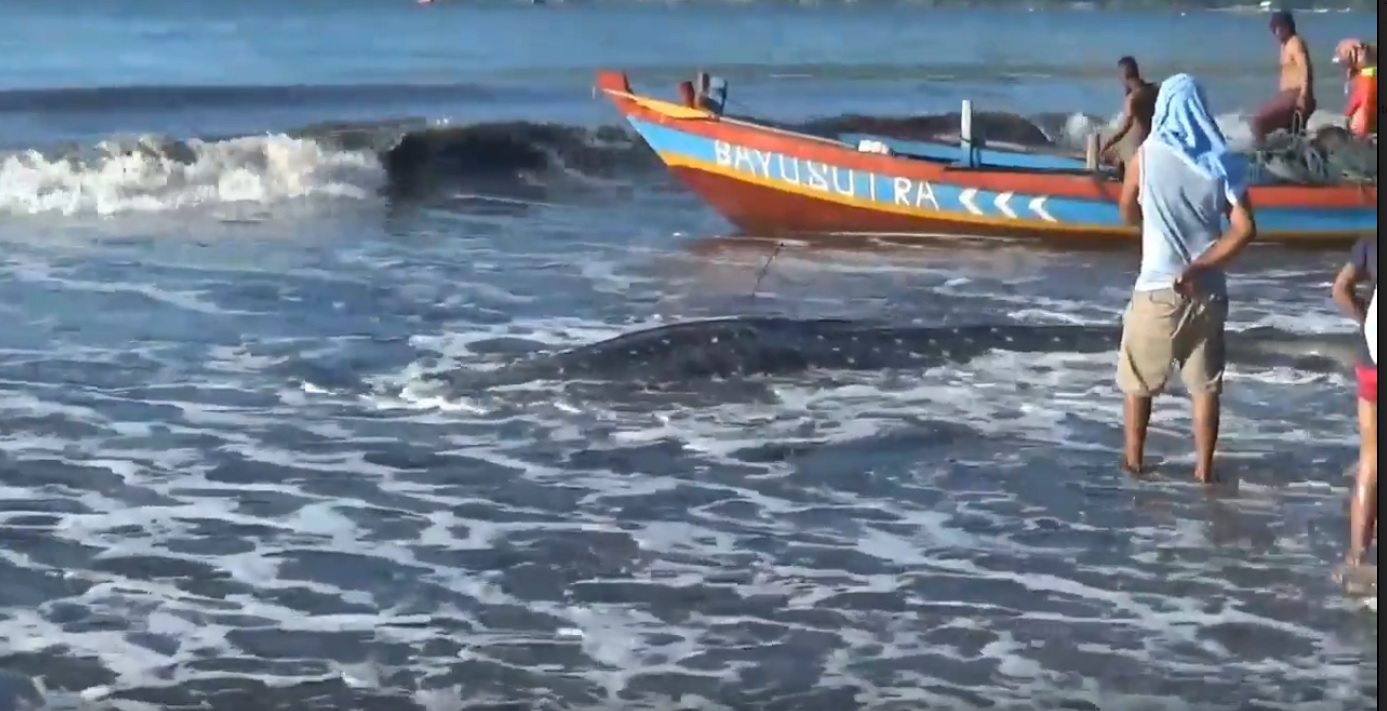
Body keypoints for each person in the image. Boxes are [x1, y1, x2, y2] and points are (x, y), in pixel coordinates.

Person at [1115, 74, 1257, 484]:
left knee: (1139, 382)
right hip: (1207, 289)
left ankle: (1135, 461)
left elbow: (1126, 213)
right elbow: (1245, 229)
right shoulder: (1221, 160)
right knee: (1205, 387)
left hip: (1158, 288)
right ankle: (1203, 470)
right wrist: (1201, 266)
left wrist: (1148, 210)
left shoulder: (1146, 156)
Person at [1331, 237, 1377, 576]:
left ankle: (1357, 557)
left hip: (1372, 360)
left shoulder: (1369, 244)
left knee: (1370, 459)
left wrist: (1364, 320)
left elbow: (1340, 289)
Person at [1252, 11, 1316, 144]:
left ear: (1289, 27)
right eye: (1274, 28)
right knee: (1289, 136)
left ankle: (1262, 155)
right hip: (1286, 95)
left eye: (1280, 27)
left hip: (1296, 95)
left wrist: (1304, 96)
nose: (1277, 31)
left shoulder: (1295, 42)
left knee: (1259, 122)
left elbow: (1306, 68)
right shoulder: (1285, 44)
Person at [1099, 56, 1158, 173]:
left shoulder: (1132, 98)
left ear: (1123, 75)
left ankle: (1119, 177)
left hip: (1135, 150)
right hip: (1153, 145)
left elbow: (1124, 129)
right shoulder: (1155, 90)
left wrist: (1104, 146)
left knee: (1107, 145)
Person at [1333, 39, 1377, 139]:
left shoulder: (1365, 76)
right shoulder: (1370, 73)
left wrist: (1347, 113)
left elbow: (1360, 98)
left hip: (1364, 122)